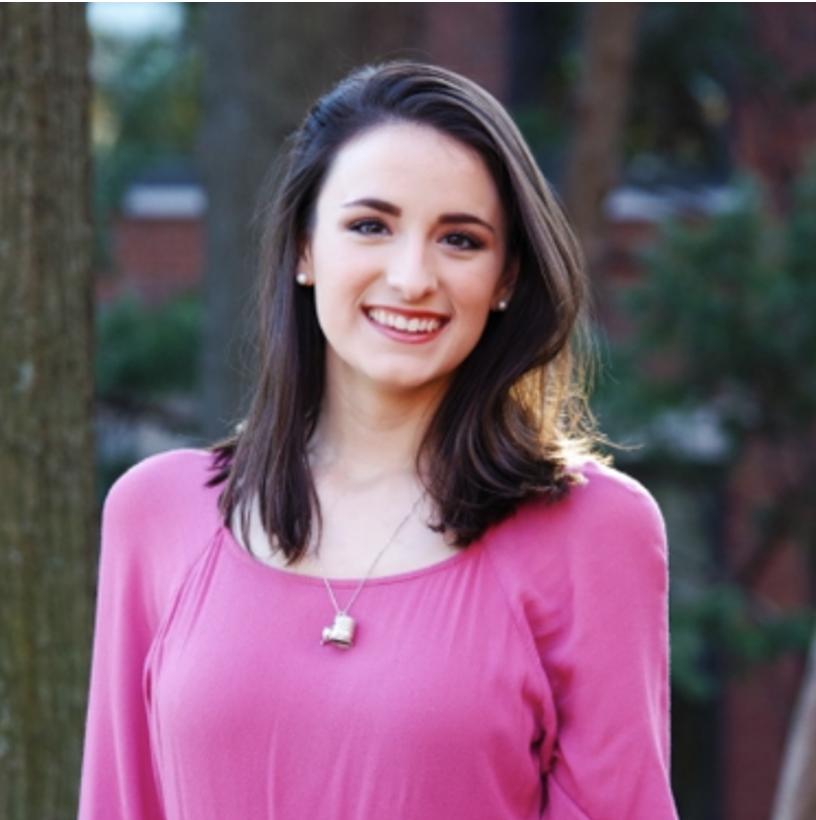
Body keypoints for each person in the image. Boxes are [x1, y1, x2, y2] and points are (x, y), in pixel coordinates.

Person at [78, 62, 678, 820]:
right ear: (303, 249)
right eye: (371, 226)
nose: (412, 276)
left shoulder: (593, 530)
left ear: (504, 278)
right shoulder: (156, 513)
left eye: (460, 239)